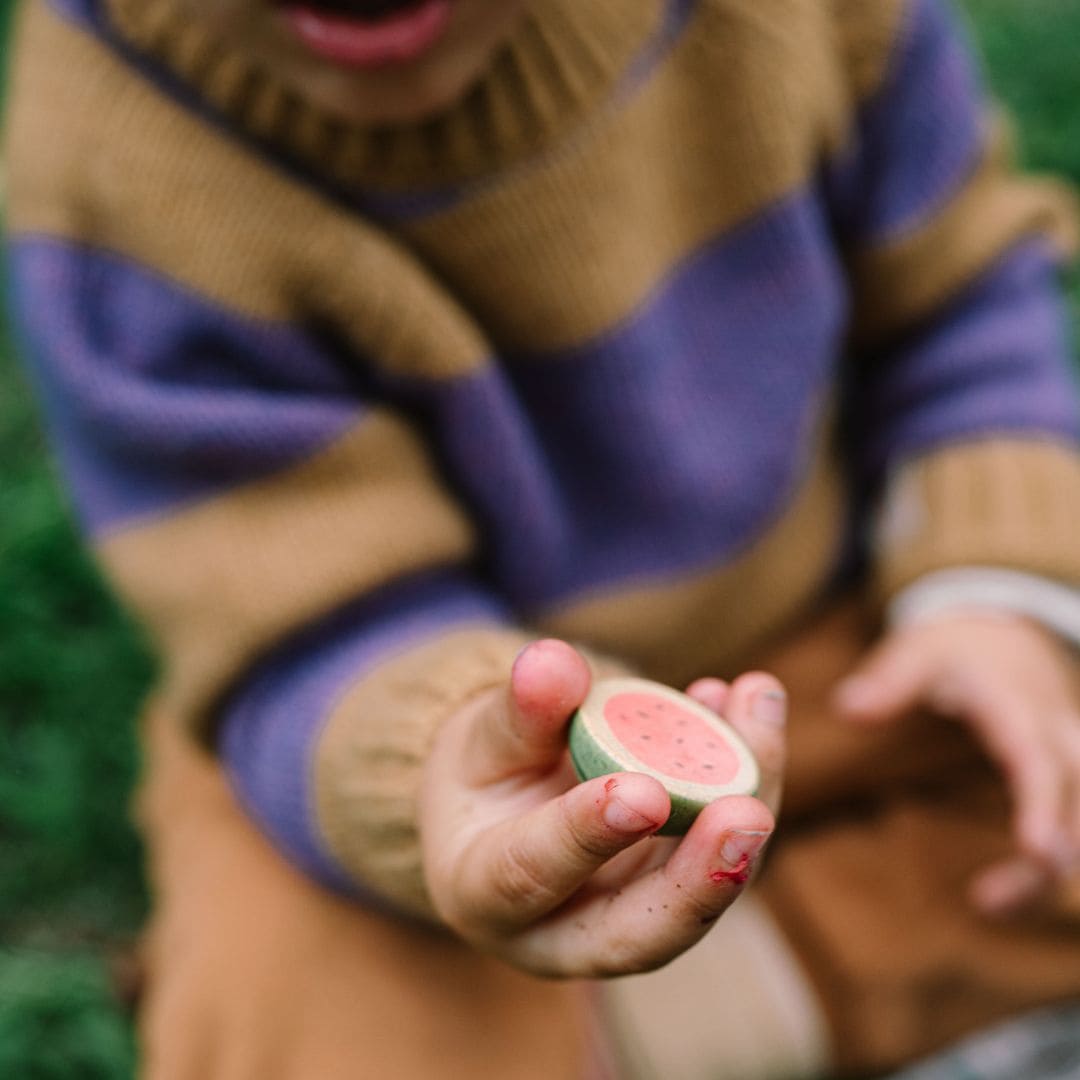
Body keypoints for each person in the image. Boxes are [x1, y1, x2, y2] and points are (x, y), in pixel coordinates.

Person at [4, 0, 1080, 1076]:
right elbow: (306, 623)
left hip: (833, 643)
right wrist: (433, 771)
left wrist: (993, 592)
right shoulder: (118, 169)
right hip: (414, 719)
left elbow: (959, 297)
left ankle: (687, 1010)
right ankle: (814, 977)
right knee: (302, 1008)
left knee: (1052, 770)